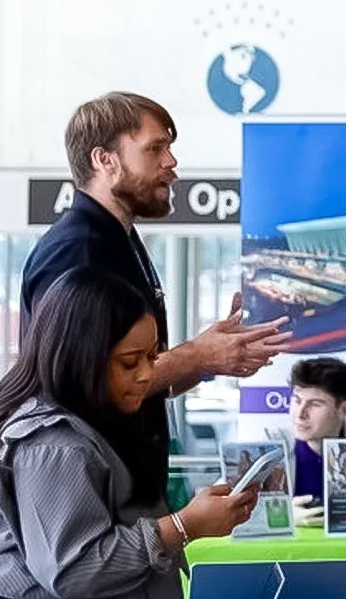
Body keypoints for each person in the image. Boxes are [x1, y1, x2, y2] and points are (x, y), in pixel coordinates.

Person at [18, 93, 291, 507]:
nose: (171, 163)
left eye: (170, 147)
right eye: (155, 148)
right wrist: (197, 357)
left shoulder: (119, 241)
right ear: (104, 160)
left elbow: (136, 383)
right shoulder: (77, 251)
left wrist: (209, 359)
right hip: (91, 507)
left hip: (126, 499)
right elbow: (77, 384)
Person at [0, 268, 257, 599]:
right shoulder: (52, 444)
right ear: (81, 358)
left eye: (152, 357)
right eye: (129, 363)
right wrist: (183, 526)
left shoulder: (92, 420)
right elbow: (75, 573)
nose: (148, 375)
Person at [273, 358, 346, 527]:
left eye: (314, 404)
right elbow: (227, 502)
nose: (300, 414)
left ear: (344, 409)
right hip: (286, 552)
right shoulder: (272, 444)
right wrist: (283, 515)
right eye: (297, 400)